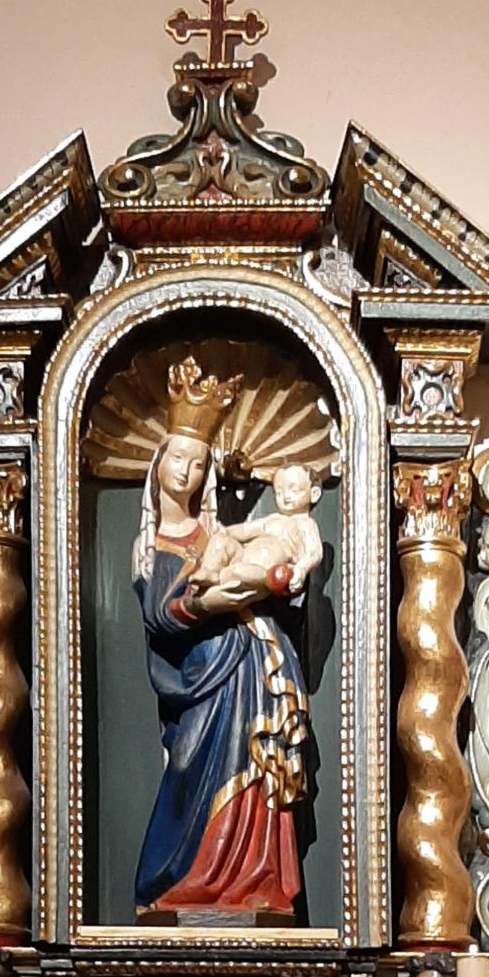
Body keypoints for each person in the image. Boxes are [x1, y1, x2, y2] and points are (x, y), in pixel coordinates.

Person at [130, 360, 311, 922]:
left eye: (197, 464)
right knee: (189, 766)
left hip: (254, 663)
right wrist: (208, 603)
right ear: (158, 464)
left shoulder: (219, 532)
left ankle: (257, 881)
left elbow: (274, 569)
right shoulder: (151, 543)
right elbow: (161, 619)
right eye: (178, 460)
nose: (186, 472)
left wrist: (275, 580)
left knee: (258, 767)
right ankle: (183, 879)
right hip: (200, 674)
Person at [184, 463, 324, 615]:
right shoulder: (273, 519)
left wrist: (301, 569)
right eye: (278, 492)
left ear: (314, 493)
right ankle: (210, 572)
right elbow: (246, 530)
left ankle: (215, 582)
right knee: (220, 542)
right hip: (241, 556)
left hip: (263, 575)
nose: (286, 497)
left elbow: (314, 552)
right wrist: (224, 531)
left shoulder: (305, 524)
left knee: (239, 572)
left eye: (294, 490)